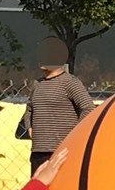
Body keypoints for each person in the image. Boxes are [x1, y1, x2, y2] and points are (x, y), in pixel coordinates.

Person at [24, 36, 95, 176]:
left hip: (61, 152)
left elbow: (88, 107)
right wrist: (29, 128)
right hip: (38, 152)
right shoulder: (37, 84)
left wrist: (75, 134)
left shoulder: (69, 82)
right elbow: (29, 110)